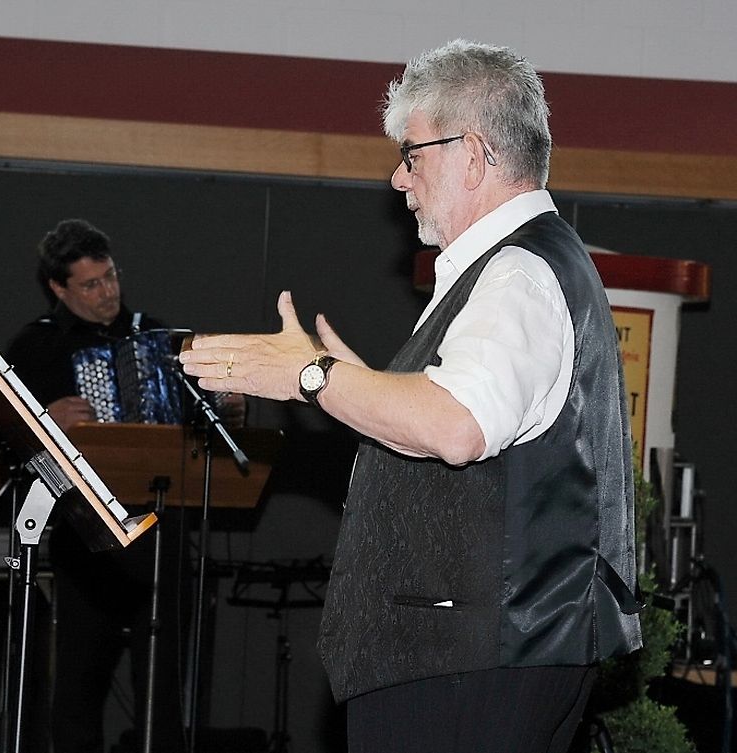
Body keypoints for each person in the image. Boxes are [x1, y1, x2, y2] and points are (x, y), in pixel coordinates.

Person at [180, 39, 643, 753]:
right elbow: (456, 415)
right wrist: (347, 385)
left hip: (471, 658)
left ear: (474, 155)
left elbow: (457, 427)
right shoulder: (519, 265)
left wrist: (312, 376)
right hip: (480, 654)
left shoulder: (515, 275)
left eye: (412, 153)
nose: (399, 178)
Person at [0, 218, 196, 753]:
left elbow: (190, 422)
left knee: (163, 693)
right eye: (91, 284)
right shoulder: (35, 346)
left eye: (111, 276)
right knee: (76, 689)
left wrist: (222, 406)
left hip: (159, 532)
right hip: (84, 538)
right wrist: (44, 419)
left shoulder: (152, 334)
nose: (108, 292)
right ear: (59, 287)